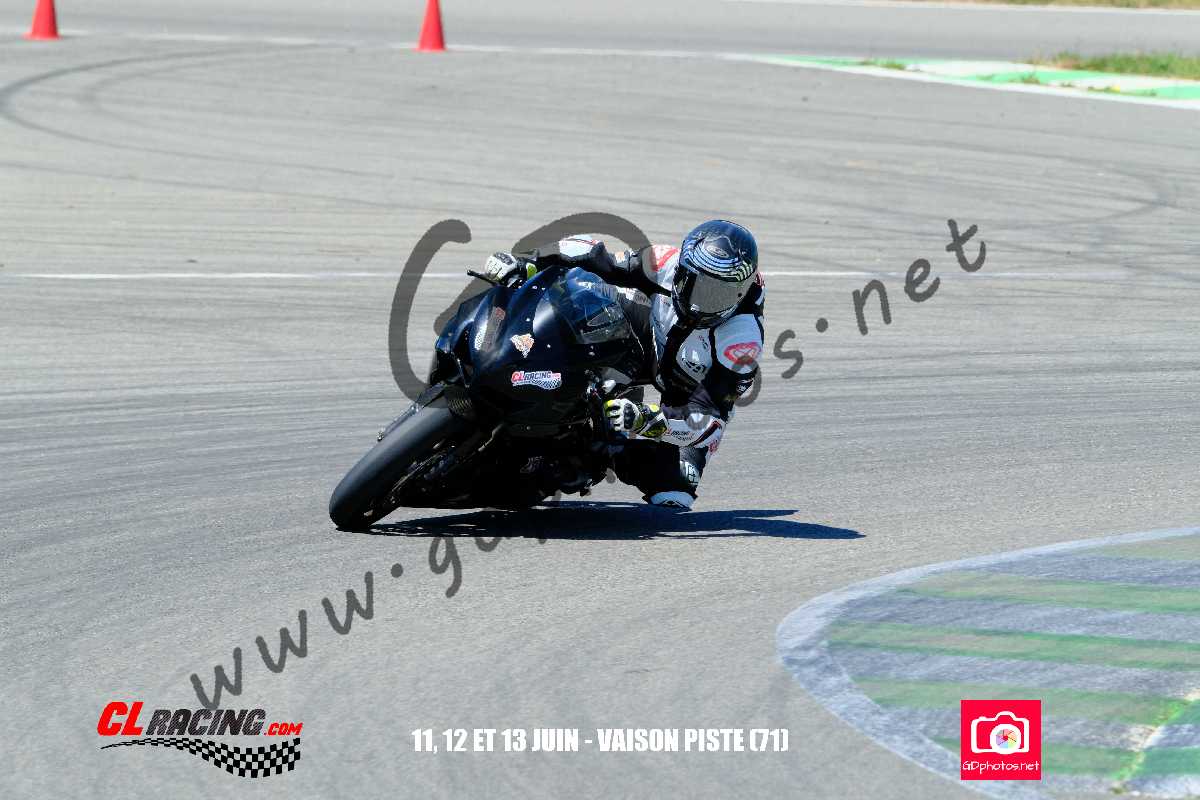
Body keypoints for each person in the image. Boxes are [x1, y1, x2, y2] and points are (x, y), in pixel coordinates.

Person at [482, 220, 764, 510]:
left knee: (673, 488)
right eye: (697, 285)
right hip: (647, 336)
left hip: (686, 394)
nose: (701, 303)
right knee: (588, 295)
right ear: (683, 269)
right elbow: (596, 257)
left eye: (718, 294)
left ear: (740, 292)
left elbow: (709, 418)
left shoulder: (742, 343)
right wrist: (527, 262)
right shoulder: (664, 263)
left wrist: (647, 420)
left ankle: (599, 451)